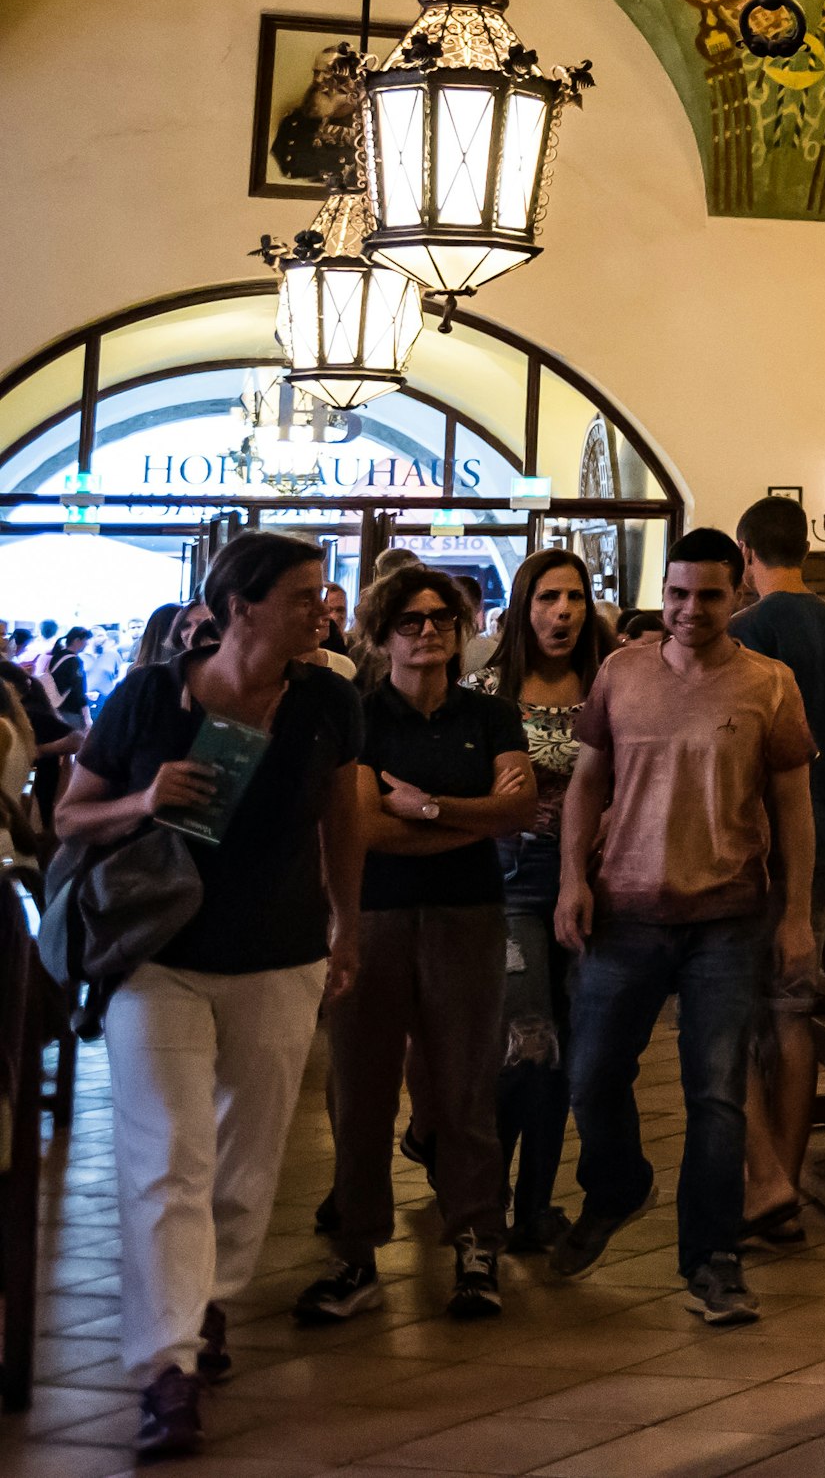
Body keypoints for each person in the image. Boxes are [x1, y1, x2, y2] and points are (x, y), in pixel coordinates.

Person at [54, 530, 367, 1460]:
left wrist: (347, 922)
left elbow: (345, 812)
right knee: (165, 1157)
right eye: (307, 592)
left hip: (279, 954)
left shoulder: (327, 700)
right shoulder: (152, 693)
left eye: (325, 590)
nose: (325, 604)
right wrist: (144, 801)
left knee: (247, 1155)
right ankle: (167, 1370)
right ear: (240, 607)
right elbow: (70, 814)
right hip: (159, 953)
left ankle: (207, 1300)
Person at [552, 528, 815, 1327]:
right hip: (624, 907)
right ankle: (619, 1183)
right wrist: (572, 876)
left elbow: (795, 809)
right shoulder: (619, 673)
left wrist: (797, 913)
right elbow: (586, 783)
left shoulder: (769, 684)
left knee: (717, 1096)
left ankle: (713, 1257)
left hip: (727, 917)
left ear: (737, 594)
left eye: (707, 594)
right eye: (675, 593)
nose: (688, 609)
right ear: (661, 593)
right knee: (591, 1072)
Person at [294, 567, 533, 1326]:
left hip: (471, 913)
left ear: (462, 629)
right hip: (373, 914)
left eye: (441, 618)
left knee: (466, 1081)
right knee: (360, 1089)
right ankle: (358, 1249)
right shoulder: (359, 716)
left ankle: (475, 1241)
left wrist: (425, 806)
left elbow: (520, 808)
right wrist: (472, 818)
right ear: (380, 632)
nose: (428, 630)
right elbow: (362, 827)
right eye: (409, 619)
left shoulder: (493, 716)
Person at [723, 495, 825, 1248]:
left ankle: (765, 1179)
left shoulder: (746, 632)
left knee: (737, 1024)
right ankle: (788, 1184)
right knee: (793, 1013)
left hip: (760, 849)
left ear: (745, 552)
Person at [484, 548, 598, 1256]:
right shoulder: (487, 689)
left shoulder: (613, 685)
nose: (563, 611)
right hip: (510, 881)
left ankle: (535, 1204)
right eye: (550, 597)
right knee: (526, 1042)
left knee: (570, 1054)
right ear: (524, 606)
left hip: (592, 880)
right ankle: (486, 1200)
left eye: (576, 597)